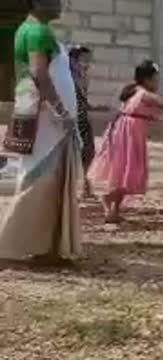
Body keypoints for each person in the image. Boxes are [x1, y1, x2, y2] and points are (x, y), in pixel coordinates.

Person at [0, 0, 83, 265]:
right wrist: (61, 111)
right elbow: (39, 73)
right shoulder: (38, 32)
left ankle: (46, 245)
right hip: (47, 120)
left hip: (37, 113)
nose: (60, 3)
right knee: (41, 180)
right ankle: (13, 242)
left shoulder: (27, 29)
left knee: (45, 179)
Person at [88, 60, 163, 224]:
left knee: (125, 170)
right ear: (146, 80)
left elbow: (133, 112)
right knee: (129, 170)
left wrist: (152, 117)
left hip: (124, 132)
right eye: (155, 79)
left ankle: (113, 210)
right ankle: (109, 198)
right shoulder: (144, 94)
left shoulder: (133, 92)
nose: (157, 83)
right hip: (128, 135)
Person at [68, 45, 95, 198]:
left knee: (89, 151)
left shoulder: (83, 77)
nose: (86, 64)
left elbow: (82, 98)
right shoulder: (67, 77)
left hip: (83, 118)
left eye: (88, 61)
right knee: (71, 154)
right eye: (83, 60)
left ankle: (86, 184)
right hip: (72, 120)